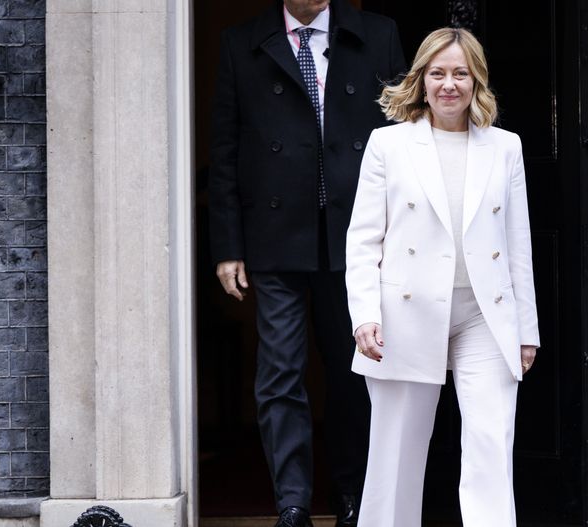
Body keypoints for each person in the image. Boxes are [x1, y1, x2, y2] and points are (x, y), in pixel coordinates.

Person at [208, 0, 405, 525]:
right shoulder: (240, 43)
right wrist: (227, 246)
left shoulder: (378, 35)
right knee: (279, 373)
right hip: (274, 238)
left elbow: (408, 138)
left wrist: (404, 234)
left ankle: (355, 499)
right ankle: (292, 504)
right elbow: (225, 150)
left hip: (359, 237)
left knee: (357, 371)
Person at [345, 27, 540, 527]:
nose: (448, 84)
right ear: (421, 79)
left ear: (476, 81)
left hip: (484, 315)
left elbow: (517, 243)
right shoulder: (388, 144)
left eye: (460, 73)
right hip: (404, 314)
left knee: (490, 444)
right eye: (437, 73)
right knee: (395, 453)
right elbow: (363, 239)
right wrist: (364, 315)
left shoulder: (506, 147)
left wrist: (526, 329)